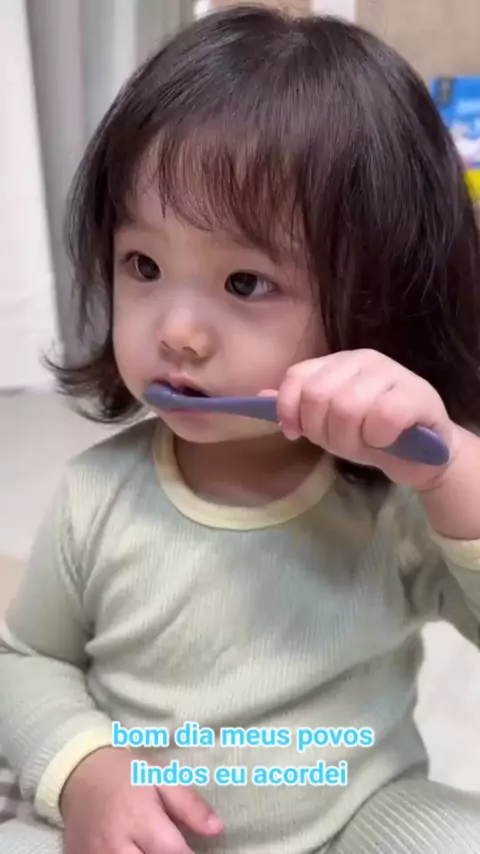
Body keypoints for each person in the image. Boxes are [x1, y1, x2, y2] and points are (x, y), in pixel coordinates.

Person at [1, 5, 480, 853]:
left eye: (246, 282)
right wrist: (85, 771)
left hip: (355, 815)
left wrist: (451, 473)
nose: (178, 331)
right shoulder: (96, 498)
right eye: (144, 265)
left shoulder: (396, 503)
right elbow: (24, 662)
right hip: (142, 824)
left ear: (379, 298)